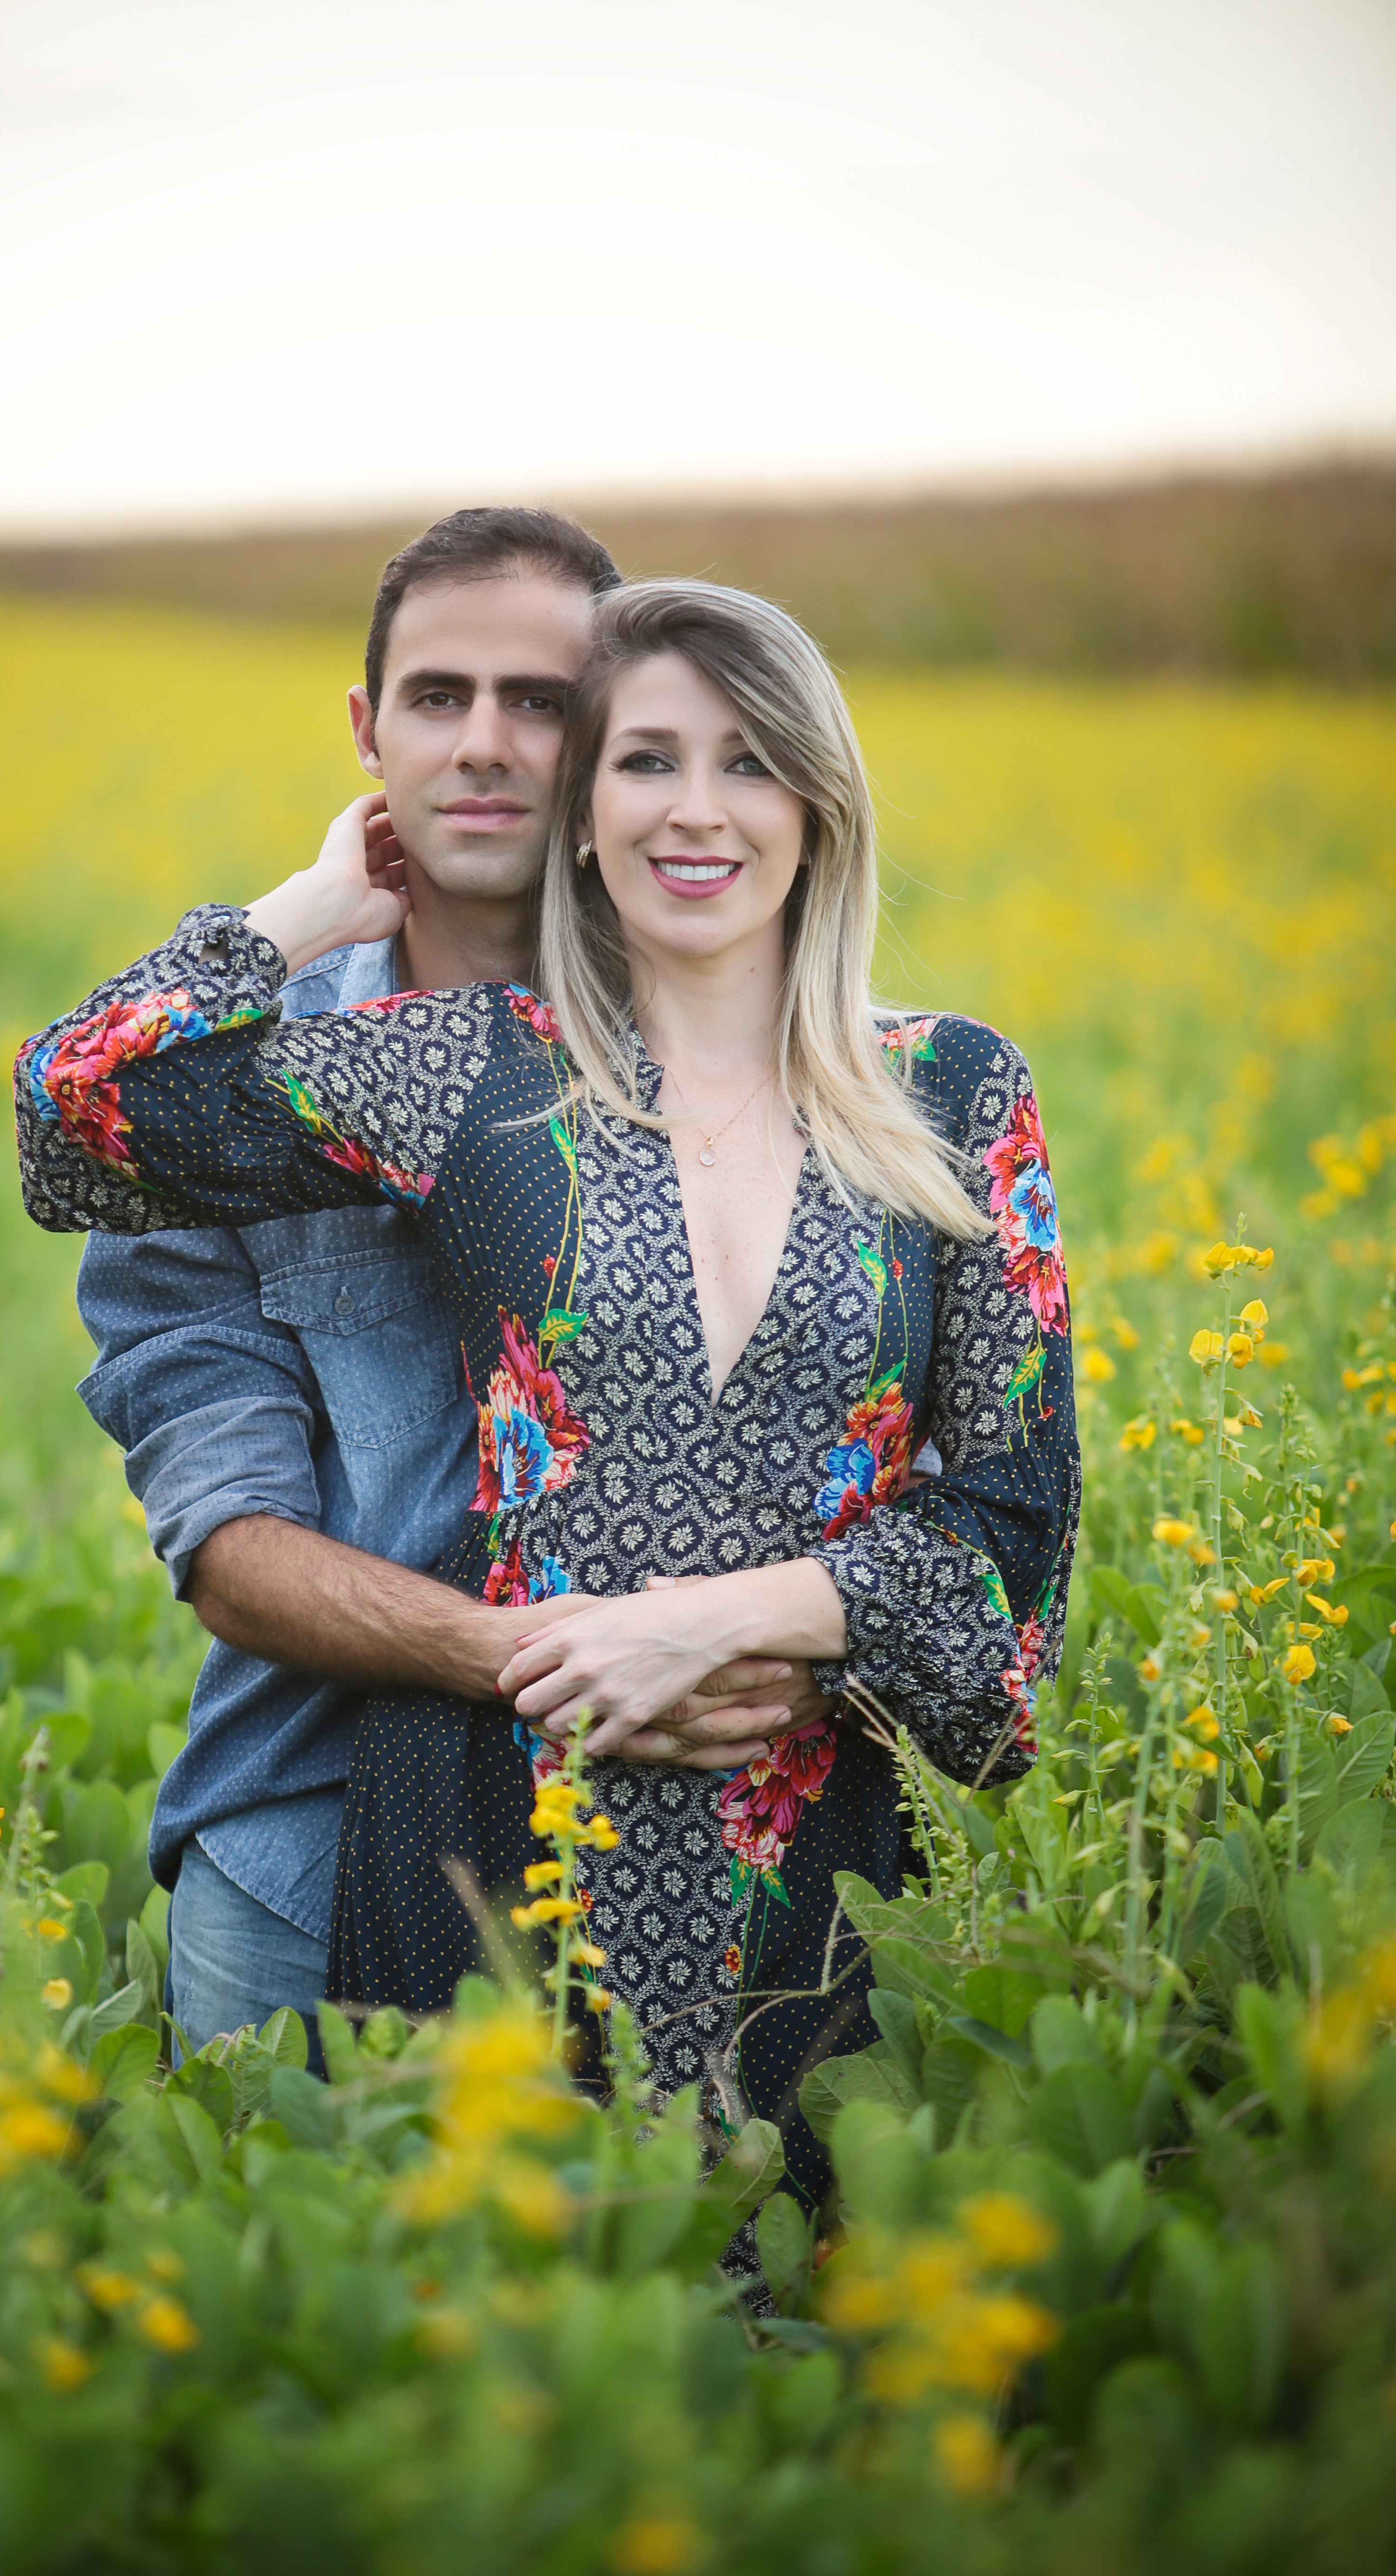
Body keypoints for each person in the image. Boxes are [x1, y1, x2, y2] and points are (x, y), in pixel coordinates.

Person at [16, 577, 1079, 2206]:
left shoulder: (953, 1091)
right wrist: (308, 906)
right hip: (482, 1824)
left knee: (812, 2337)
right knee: (473, 2337)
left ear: (821, 802)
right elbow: (74, 1117)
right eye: (647, 762)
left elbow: (1016, 1537)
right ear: (584, 817)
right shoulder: (479, 1069)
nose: (699, 811)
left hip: (807, 1845)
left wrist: (724, 1623)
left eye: (750, 762)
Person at [72, 512, 830, 2066]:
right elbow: (229, 1546)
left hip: (685, 1846)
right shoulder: (221, 1100)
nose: (485, 745)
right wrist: (293, 920)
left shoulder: (745, 1056)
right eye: (436, 697)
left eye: (541, 702)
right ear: (368, 729)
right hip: (307, 1834)